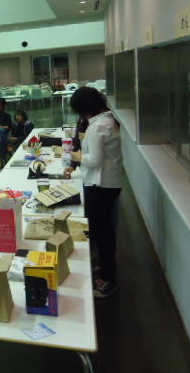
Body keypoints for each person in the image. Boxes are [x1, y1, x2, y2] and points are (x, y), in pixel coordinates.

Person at [65, 87, 123, 299]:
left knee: (103, 233)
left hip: (101, 185)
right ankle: (104, 268)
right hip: (106, 183)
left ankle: (108, 279)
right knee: (101, 230)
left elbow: (95, 160)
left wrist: (77, 156)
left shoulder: (98, 126)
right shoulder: (105, 120)